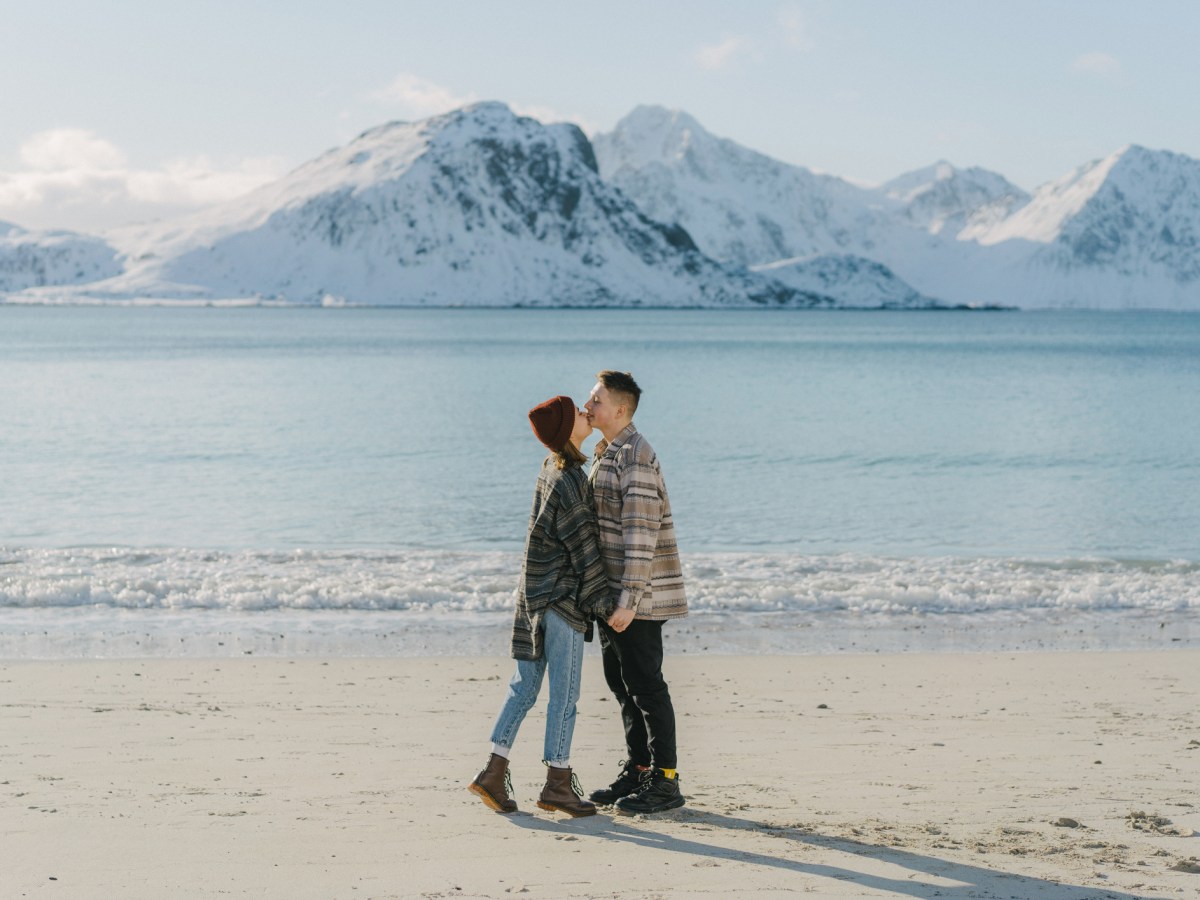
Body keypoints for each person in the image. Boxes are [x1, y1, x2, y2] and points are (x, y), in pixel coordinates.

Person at [468, 395, 614, 817]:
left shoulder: (551, 468)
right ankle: (558, 783)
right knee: (564, 695)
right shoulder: (571, 481)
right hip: (562, 602)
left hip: (532, 596)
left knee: (524, 687)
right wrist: (606, 606)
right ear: (568, 430)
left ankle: (492, 773)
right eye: (579, 414)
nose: (588, 414)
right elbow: (585, 552)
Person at [584, 370, 688, 814]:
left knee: (646, 687)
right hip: (613, 597)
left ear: (621, 409)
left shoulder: (636, 455)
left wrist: (628, 600)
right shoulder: (607, 450)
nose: (588, 407)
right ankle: (640, 769)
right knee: (622, 685)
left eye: (596, 400)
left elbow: (640, 533)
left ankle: (666, 780)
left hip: (636, 601)